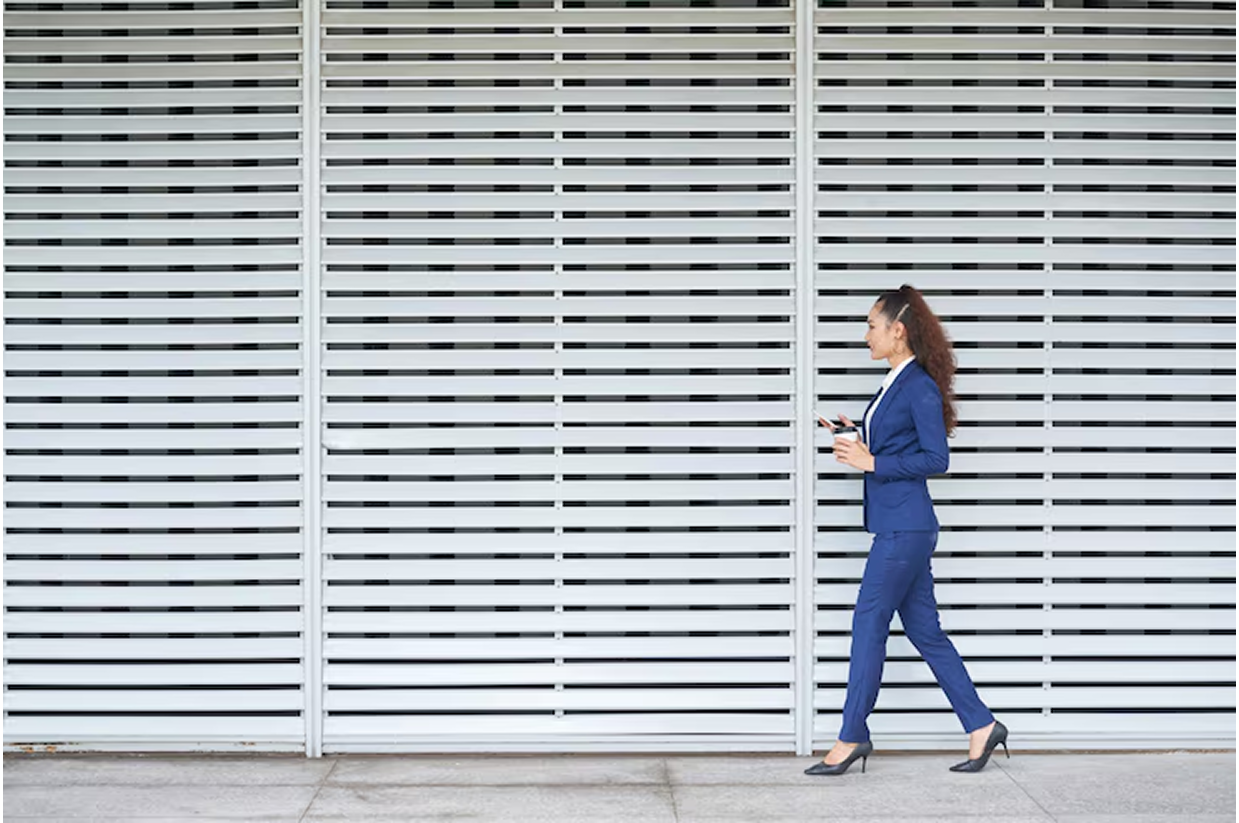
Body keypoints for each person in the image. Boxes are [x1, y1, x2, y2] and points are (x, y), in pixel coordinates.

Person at [805, 285, 1008, 776]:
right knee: (926, 632)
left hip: (905, 529)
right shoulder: (894, 381)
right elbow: (898, 445)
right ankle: (981, 725)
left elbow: (937, 458)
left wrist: (872, 460)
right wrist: (852, 436)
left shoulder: (917, 385)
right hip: (900, 525)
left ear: (898, 330)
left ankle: (852, 735)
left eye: (872, 326)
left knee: (868, 625)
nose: (866, 336)